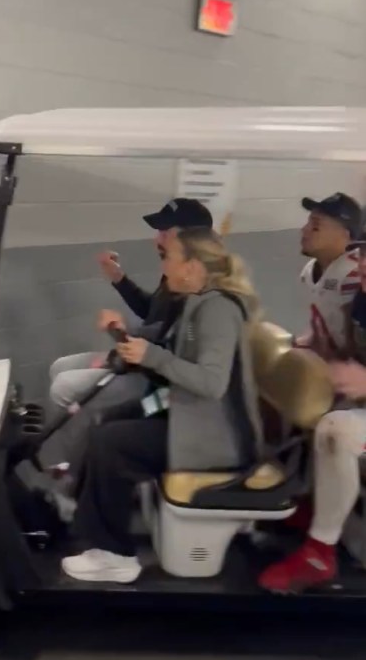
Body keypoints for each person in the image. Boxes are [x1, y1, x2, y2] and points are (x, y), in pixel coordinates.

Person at [61, 226, 263, 584]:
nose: (164, 268)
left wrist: (151, 356)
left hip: (216, 438)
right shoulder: (197, 301)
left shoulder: (218, 309)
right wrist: (130, 343)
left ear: (192, 266)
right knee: (107, 421)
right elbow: (171, 360)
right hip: (192, 418)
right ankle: (94, 524)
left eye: (168, 258)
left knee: (112, 443)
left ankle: (116, 556)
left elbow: (211, 383)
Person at [259, 232, 366, 593]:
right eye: (363, 255)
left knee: (336, 429)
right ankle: (310, 504)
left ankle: (319, 553)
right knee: (306, 402)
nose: (363, 265)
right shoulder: (361, 302)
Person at [48, 198, 213, 410]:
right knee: (59, 367)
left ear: (191, 239)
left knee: (64, 387)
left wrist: (123, 335)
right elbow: (152, 311)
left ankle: (81, 436)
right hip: (137, 357)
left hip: (158, 380)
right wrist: (119, 279)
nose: (157, 240)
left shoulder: (198, 286)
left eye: (165, 233)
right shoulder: (174, 270)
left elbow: (166, 339)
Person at [295, 192, 362, 358]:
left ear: (344, 235)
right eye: (308, 222)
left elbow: (353, 346)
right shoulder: (310, 271)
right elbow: (321, 324)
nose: (304, 229)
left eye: (316, 225)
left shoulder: (353, 274)